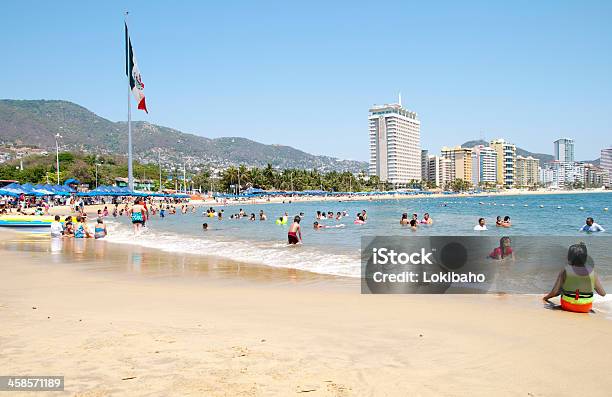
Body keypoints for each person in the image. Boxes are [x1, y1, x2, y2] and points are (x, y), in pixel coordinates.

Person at [543, 243, 606, 313]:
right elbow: (602, 293)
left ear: (569, 257)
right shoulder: (592, 272)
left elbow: (555, 292)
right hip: (585, 307)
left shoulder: (565, 270)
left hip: (567, 306)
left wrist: (545, 298)